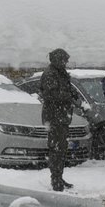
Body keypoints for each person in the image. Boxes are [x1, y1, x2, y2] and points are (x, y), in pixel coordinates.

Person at [39, 48, 77, 191]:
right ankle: (55, 180)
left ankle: (59, 176)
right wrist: (69, 96)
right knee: (56, 149)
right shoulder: (50, 74)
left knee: (61, 149)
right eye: (64, 61)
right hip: (54, 117)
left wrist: (72, 94)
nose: (66, 63)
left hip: (61, 116)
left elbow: (64, 89)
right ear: (57, 60)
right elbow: (51, 95)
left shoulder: (60, 73)